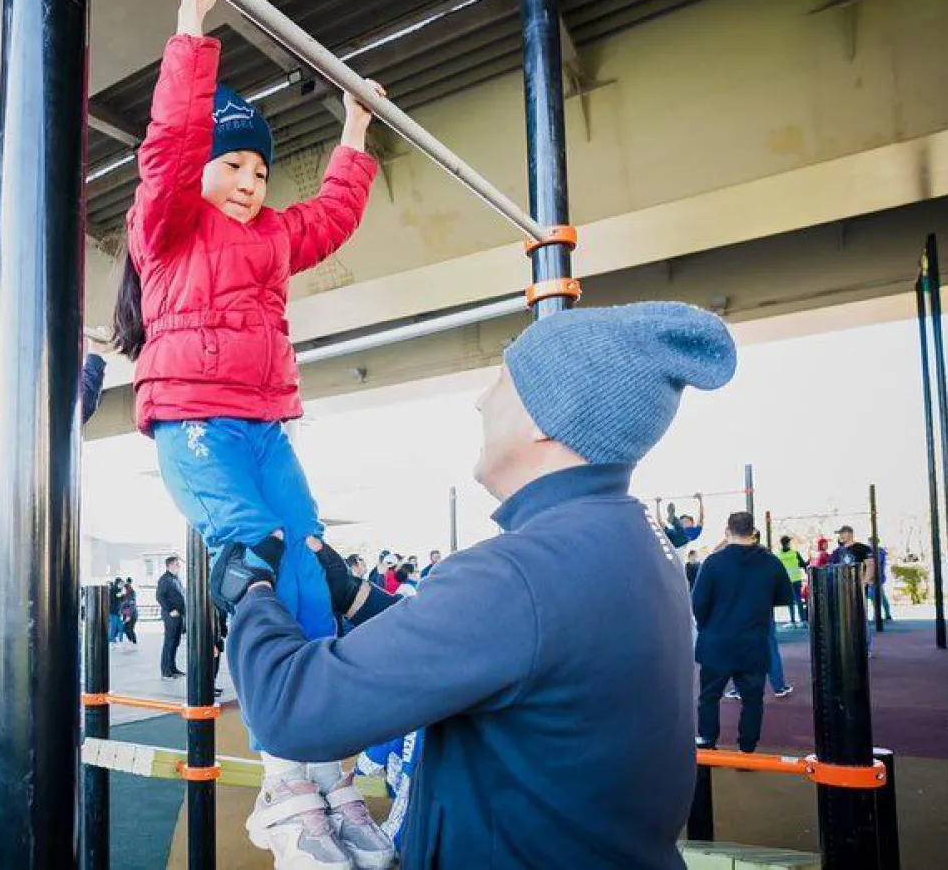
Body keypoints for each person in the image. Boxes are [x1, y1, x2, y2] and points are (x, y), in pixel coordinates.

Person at [218, 301, 738, 867]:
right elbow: (507, 648)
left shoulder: (519, 573)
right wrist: (358, 598)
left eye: (502, 381)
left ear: (546, 418)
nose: (481, 400)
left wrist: (252, 598)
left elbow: (290, 711)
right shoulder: (629, 539)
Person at [111, 0, 390, 869]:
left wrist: (355, 130)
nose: (247, 180)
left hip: (265, 424)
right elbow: (168, 146)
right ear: (202, 174)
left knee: (311, 560)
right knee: (255, 556)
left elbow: (336, 217)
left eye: (260, 171)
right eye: (231, 164)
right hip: (193, 418)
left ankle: (326, 769)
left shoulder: (272, 239)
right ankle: (282, 778)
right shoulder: (169, 229)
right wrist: (194, 26)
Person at [0, 295, 107, 703]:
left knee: (43, 626)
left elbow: (77, 405)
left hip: (37, 538)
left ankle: (33, 694)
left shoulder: (33, 428)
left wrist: (96, 358)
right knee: (0, 623)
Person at [691, 512, 793, 753]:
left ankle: (708, 741)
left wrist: (707, 626)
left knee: (709, 696)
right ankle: (747, 747)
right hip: (753, 642)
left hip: (717, 642)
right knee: (753, 700)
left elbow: (698, 602)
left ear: (728, 532)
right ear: (754, 533)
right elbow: (784, 596)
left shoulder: (714, 562)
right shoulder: (771, 562)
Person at [830, 525, 877, 648]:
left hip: (858, 589)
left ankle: (866, 647)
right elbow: (832, 569)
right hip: (841, 590)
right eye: (839, 534)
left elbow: (870, 565)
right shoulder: (836, 552)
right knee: (843, 619)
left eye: (842, 533)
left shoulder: (862, 548)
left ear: (849, 533)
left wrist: (864, 582)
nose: (840, 536)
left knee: (861, 618)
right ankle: (848, 646)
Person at [157, 556, 187, 679]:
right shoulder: (165, 579)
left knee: (175, 642)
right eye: (177, 565)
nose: (179, 567)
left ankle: (173, 668)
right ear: (169, 566)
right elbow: (160, 596)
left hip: (179, 614)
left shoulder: (176, 578)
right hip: (171, 615)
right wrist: (170, 610)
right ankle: (166, 670)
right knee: (169, 642)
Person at [774, 535, 807, 626]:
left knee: (790, 600)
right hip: (796, 579)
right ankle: (803, 620)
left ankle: (792, 621)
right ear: (788, 543)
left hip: (786, 581)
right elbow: (803, 564)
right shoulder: (794, 553)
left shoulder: (778, 556)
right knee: (798, 599)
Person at [121, 577, 139, 645]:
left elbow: (131, 605)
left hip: (132, 615)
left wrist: (128, 616)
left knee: (130, 629)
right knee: (126, 629)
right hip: (127, 614)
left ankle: (134, 643)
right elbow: (123, 606)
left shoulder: (131, 594)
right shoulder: (124, 595)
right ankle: (131, 641)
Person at [109, 577, 125, 643]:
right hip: (114, 611)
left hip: (115, 611)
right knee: (114, 626)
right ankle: (112, 638)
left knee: (118, 626)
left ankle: (116, 638)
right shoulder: (115, 590)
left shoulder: (115, 589)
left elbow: (120, 599)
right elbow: (119, 598)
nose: (122, 585)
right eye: (121, 583)